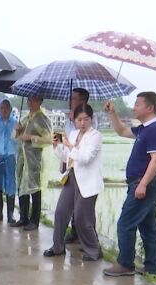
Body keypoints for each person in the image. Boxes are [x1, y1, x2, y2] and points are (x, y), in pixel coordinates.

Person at [102, 92, 156, 277]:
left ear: (150, 108)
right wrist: (112, 113)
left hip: (144, 183)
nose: (134, 107)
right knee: (148, 226)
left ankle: (126, 264)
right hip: (143, 183)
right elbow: (121, 131)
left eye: (137, 104)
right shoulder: (144, 128)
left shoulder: (154, 129)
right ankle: (152, 267)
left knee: (125, 223)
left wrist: (143, 184)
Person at [43, 104, 104, 261]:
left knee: (82, 217)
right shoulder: (74, 133)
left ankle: (94, 250)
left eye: (86, 119)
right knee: (61, 212)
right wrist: (57, 146)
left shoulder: (95, 136)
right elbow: (66, 157)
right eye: (79, 119)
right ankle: (57, 247)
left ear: (91, 119)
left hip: (88, 181)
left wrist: (70, 146)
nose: (82, 123)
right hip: (72, 177)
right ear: (74, 120)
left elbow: (85, 158)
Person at [11, 96, 53, 231]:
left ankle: (34, 220)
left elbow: (49, 139)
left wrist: (31, 138)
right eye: (28, 100)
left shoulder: (42, 118)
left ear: (40, 101)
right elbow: (16, 137)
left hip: (34, 159)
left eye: (34, 100)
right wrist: (17, 130)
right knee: (22, 188)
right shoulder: (26, 117)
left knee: (35, 188)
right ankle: (23, 217)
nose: (30, 103)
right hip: (22, 158)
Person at [64, 88, 94, 244]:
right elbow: (66, 143)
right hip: (72, 167)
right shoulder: (69, 120)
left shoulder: (88, 120)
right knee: (72, 205)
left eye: (74, 98)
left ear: (83, 101)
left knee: (85, 209)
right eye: (71, 98)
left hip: (85, 170)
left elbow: (82, 146)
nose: (71, 101)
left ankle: (88, 240)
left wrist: (76, 122)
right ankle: (75, 232)